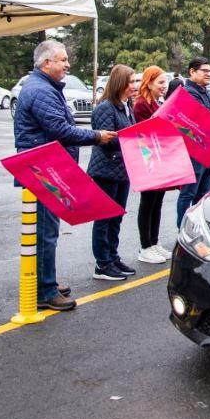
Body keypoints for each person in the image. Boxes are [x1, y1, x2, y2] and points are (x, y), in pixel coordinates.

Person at [13, 40, 116, 311]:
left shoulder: (45, 87)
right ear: (46, 63)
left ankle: (45, 279)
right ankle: (45, 290)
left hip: (47, 167)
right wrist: (97, 136)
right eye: (62, 60)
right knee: (46, 232)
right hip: (43, 169)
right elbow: (61, 129)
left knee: (47, 231)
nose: (67, 64)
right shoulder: (41, 91)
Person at [87, 65, 140, 281]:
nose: (134, 86)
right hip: (106, 171)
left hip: (121, 171)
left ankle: (112, 256)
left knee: (116, 216)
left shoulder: (126, 106)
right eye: (131, 82)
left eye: (136, 82)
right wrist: (132, 137)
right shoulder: (105, 108)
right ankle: (102, 263)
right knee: (104, 218)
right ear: (119, 83)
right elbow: (106, 140)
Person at [133, 66, 173, 264]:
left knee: (157, 202)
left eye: (165, 82)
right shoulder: (141, 104)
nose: (164, 87)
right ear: (148, 83)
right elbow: (145, 131)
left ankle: (154, 242)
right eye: (160, 83)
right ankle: (145, 246)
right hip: (148, 160)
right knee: (148, 203)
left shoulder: (157, 103)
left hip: (160, 159)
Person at [175, 57, 210, 228]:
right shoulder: (189, 92)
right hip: (194, 150)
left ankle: (198, 229)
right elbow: (204, 116)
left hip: (208, 149)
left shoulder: (204, 91)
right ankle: (182, 228)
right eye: (204, 71)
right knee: (188, 193)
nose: (208, 74)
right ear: (192, 72)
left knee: (202, 194)